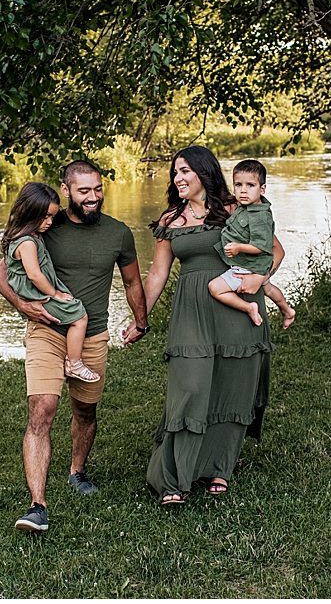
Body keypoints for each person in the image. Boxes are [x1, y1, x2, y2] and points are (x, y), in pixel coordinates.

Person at [121, 146, 284, 504]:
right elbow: (158, 274)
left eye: (184, 171)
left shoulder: (235, 210)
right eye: (175, 172)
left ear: (204, 173)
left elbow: (274, 250)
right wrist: (141, 320)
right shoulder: (170, 221)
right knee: (190, 388)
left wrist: (260, 280)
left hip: (238, 308)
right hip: (192, 312)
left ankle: (219, 468)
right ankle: (173, 478)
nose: (177, 178)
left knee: (231, 386)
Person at [0, 160, 149, 532]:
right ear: (66, 191)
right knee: (41, 410)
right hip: (46, 331)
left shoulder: (118, 233)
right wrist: (23, 305)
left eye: (98, 189)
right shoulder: (44, 226)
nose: (93, 197)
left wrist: (141, 320)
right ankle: (37, 505)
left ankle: (77, 471)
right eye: (84, 191)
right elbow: (2, 274)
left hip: (92, 334)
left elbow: (131, 283)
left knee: (85, 412)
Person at [1, 182, 100, 383]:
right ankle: (74, 363)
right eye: (44, 216)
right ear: (28, 213)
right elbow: (35, 276)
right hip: (39, 294)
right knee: (79, 317)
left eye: (52, 216)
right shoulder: (27, 242)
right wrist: (54, 294)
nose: (49, 222)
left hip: (40, 292)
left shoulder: (29, 235)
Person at [208, 159, 296, 329]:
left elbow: (262, 246)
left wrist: (238, 247)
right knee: (268, 288)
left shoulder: (259, 217)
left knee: (215, 288)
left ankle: (249, 307)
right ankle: (287, 310)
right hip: (257, 266)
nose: (243, 191)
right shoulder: (247, 206)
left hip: (247, 267)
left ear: (262, 189)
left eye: (250, 185)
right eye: (238, 185)